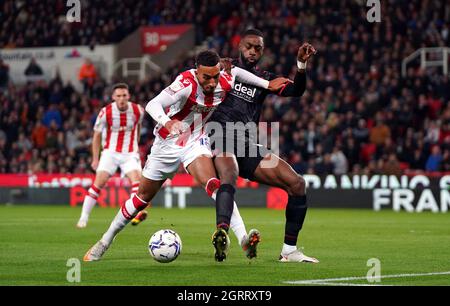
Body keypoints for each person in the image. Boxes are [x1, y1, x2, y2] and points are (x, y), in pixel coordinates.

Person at [83, 50, 288, 262]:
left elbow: (236, 72)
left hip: (194, 141)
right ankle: (105, 241)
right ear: (196, 72)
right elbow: (153, 104)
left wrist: (266, 85)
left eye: (215, 76)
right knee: (141, 199)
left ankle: (243, 239)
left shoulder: (224, 78)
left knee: (214, 185)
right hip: (166, 144)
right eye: (206, 77)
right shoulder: (185, 83)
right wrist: (167, 121)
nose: (211, 82)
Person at [208, 29, 319, 263]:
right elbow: (200, 77)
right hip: (218, 135)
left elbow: (295, 91)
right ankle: (222, 234)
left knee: (297, 184)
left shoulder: (264, 79)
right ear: (240, 46)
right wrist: (217, 66)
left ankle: (289, 251)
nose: (252, 51)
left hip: (246, 142)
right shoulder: (225, 69)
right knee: (229, 174)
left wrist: (300, 65)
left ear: (263, 51)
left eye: (258, 48)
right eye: (249, 46)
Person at [76, 83, 148, 228]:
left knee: (137, 182)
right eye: (118, 96)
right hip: (110, 152)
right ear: (113, 97)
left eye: (124, 96)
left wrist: (136, 143)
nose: (121, 99)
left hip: (129, 153)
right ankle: (83, 217)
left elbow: (138, 126)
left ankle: (135, 215)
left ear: (129, 96)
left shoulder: (138, 110)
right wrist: (95, 158)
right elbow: (96, 135)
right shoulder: (106, 112)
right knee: (99, 183)